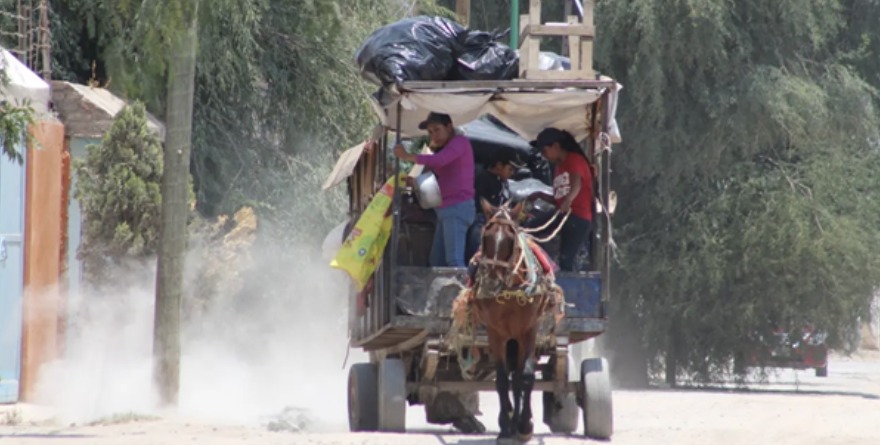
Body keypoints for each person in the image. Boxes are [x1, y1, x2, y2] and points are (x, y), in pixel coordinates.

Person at [394, 112, 475, 267]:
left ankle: (463, 291)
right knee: (436, 261)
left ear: (449, 126)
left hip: (456, 208)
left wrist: (406, 156)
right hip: (446, 209)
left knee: (454, 260)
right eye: (430, 132)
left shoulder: (460, 143)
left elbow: (439, 161)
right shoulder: (447, 148)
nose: (434, 135)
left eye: (437, 130)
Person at [528, 127, 595, 272]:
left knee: (567, 258)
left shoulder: (574, 160)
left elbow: (576, 184)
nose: (544, 156)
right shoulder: (558, 167)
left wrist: (569, 200)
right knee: (529, 230)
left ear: (556, 146)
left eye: (545, 151)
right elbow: (559, 199)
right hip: (563, 214)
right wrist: (541, 195)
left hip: (578, 217)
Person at [466, 150, 522, 260]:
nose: (512, 173)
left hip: (502, 223)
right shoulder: (483, 179)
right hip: (483, 221)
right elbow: (481, 203)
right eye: (510, 169)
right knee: (479, 249)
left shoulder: (504, 182)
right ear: (499, 165)